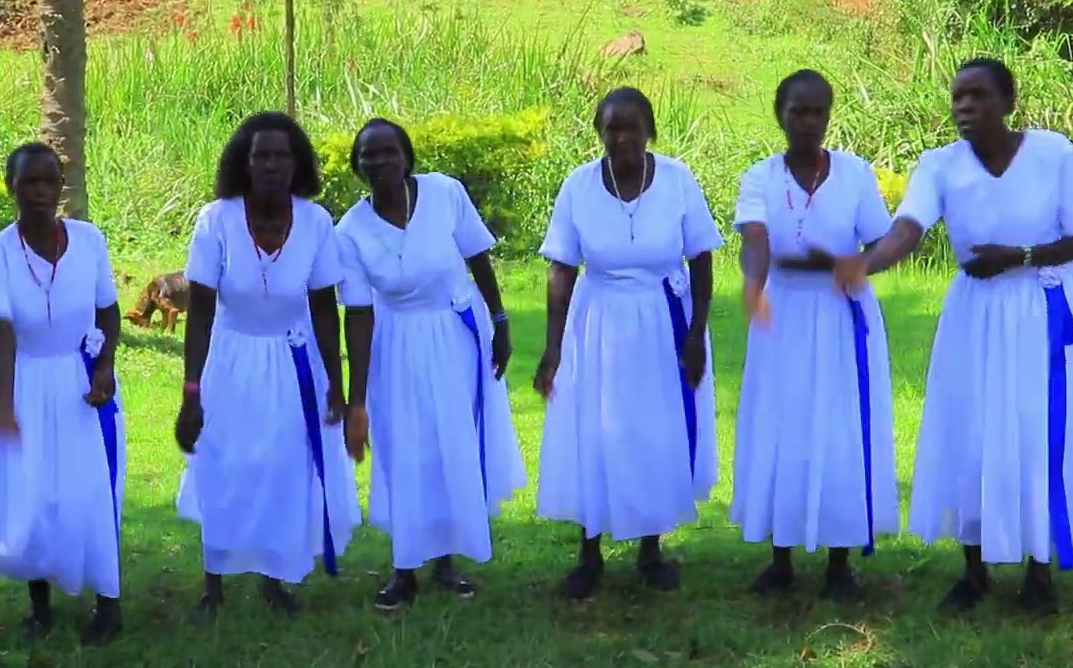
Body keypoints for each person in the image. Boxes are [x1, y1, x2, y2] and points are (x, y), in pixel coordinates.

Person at [833, 57, 1073, 615]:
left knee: (1036, 432)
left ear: (1008, 102)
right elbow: (907, 229)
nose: (964, 107)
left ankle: (1039, 571)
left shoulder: (1053, 155)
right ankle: (973, 570)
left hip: (1042, 310)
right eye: (957, 97)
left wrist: (1020, 256)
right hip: (975, 316)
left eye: (977, 96)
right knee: (972, 432)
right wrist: (863, 264)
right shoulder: (939, 166)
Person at [533, 87, 724, 599]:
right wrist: (553, 349)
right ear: (599, 132)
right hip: (598, 321)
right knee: (593, 428)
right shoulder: (578, 185)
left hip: (664, 320)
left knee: (653, 431)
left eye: (631, 126)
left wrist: (696, 333)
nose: (621, 136)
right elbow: (561, 269)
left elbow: (702, 258)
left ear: (650, 131)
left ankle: (650, 550)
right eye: (611, 127)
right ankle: (589, 552)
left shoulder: (679, 181)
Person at [174, 111, 360, 619]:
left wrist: (336, 386)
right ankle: (213, 583)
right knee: (224, 464)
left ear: (297, 164)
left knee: (284, 466)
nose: (272, 165)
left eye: (282, 156)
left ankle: (274, 577)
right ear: (244, 162)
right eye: (262, 156)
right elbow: (201, 312)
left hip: (294, 362)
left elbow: (325, 308)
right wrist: (191, 391)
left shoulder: (317, 222)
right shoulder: (216, 219)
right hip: (230, 360)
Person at [338, 118, 527, 610]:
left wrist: (501, 321)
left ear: (407, 157)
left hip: (456, 335)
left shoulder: (445, 193)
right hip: (395, 345)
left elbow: (478, 257)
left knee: (451, 445)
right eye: (368, 156)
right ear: (358, 167)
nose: (379, 162)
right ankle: (404, 572)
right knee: (404, 451)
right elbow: (357, 316)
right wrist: (356, 401)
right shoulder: (350, 230)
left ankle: (447, 561)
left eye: (388, 152)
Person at [731, 69, 898, 600]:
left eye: (817, 111)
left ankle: (840, 563)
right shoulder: (759, 176)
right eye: (797, 110)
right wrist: (754, 285)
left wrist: (861, 266)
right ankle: (780, 559)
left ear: (828, 115)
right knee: (781, 428)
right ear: (779, 114)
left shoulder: (854, 174)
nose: (807, 121)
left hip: (841, 315)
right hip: (781, 316)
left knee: (840, 428)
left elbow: (883, 239)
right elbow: (755, 238)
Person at [0, 142, 126, 645]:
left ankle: (109, 603)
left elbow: (107, 311)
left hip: (82, 384)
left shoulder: (89, 240)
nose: (41, 192)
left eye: (50, 181)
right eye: (30, 182)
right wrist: (7, 407)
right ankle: (41, 607)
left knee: (91, 492)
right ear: (10, 186)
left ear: (62, 186)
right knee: (35, 494)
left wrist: (104, 366)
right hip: (25, 381)